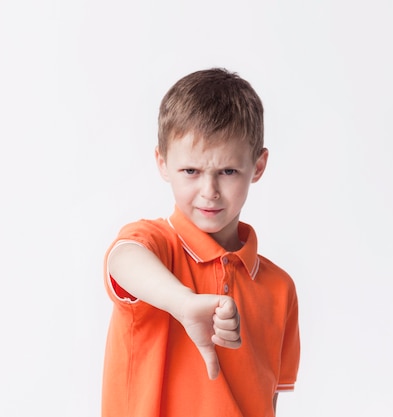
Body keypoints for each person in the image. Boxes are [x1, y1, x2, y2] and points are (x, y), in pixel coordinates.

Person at [102, 68, 300, 417]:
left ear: (258, 165)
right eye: (191, 171)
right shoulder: (156, 246)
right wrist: (183, 302)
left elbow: (269, 402)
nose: (209, 191)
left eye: (227, 171)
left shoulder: (279, 288)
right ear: (163, 162)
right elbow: (122, 258)